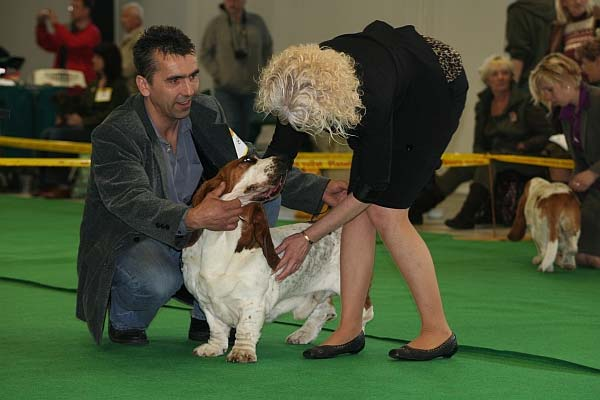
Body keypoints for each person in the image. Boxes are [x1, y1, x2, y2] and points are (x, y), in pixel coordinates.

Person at [75, 26, 344, 345]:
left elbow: (249, 163)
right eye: (175, 80)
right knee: (159, 277)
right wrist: (191, 218)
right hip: (139, 238)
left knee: (261, 197)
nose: (188, 90)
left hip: (199, 237)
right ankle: (127, 319)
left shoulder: (205, 111)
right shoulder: (116, 133)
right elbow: (130, 200)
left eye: (193, 76)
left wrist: (320, 189)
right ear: (144, 85)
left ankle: (210, 317)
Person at [256, 20, 468, 360]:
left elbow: (370, 189)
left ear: (329, 104)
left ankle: (437, 330)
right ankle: (349, 327)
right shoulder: (294, 84)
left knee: (386, 212)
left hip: (436, 86)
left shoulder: (371, 99)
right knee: (358, 214)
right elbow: (277, 160)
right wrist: (244, 202)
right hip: (396, 66)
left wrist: (307, 238)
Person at [409, 55, 554, 228]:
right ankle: (417, 209)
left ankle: (466, 215)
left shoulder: (526, 102)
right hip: (493, 156)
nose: (500, 77)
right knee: (459, 169)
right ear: (487, 79)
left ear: (511, 77)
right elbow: (480, 140)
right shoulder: (483, 104)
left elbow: (547, 134)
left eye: (505, 73)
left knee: (487, 167)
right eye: (495, 74)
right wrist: (477, 156)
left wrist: (524, 145)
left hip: (521, 157)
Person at [530, 53, 600, 268]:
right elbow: (579, 157)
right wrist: (578, 179)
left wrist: (593, 172)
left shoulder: (597, 101)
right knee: (577, 248)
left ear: (568, 81)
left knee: (586, 253)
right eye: (543, 92)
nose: (547, 96)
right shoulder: (566, 115)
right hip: (594, 186)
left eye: (549, 89)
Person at [37, 42, 129, 199]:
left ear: (108, 60)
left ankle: (62, 184)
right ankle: (45, 183)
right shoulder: (93, 84)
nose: (93, 60)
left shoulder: (119, 86)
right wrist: (65, 114)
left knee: (59, 136)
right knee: (47, 133)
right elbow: (82, 105)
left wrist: (83, 122)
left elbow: (112, 114)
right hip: (85, 128)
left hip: (102, 131)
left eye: (98, 57)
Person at [200, 0, 272, 142]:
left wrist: (264, 73)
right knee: (232, 128)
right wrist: (218, 74)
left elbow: (267, 48)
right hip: (226, 90)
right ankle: (234, 162)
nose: (233, 3)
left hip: (253, 88)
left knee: (252, 129)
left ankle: (248, 161)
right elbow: (205, 54)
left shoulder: (257, 22)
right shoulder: (216, 24)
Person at [35, 0, 101, 84]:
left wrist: (56, 24)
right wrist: (41, 24)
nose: (72, 10)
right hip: (61, 79)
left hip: (81, 81)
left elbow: (74, 43)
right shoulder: (67, 30)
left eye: (76, 7)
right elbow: (48, 44)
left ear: (86, 10)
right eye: (71, 7)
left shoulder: (93, 32)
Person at [505, 0, 556, 89]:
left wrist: (511, 91)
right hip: (556, 81)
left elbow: (518, 54)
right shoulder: (559, 8)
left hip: (530, 83)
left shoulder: (519, 11)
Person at [119, 2, 144, 94]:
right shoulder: (128, 38)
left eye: (126, 17)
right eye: (122, 17)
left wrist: (116, 71)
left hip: (133, 89)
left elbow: (131, 67)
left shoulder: (140, 39)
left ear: (137, 19)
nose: (122, 20)